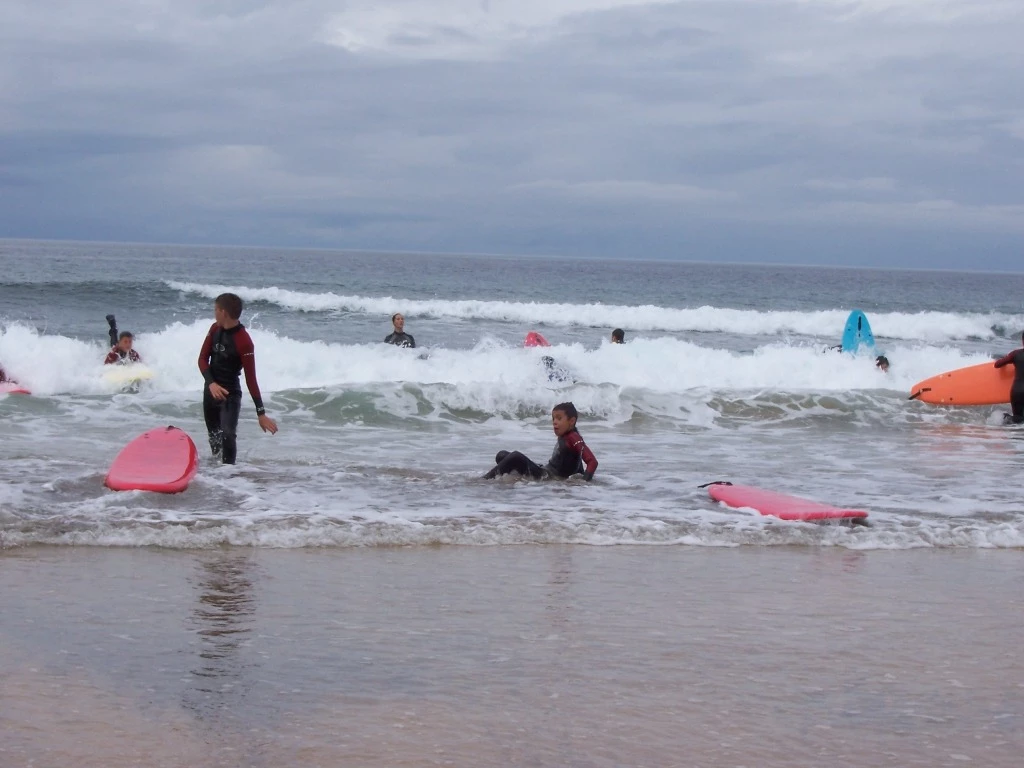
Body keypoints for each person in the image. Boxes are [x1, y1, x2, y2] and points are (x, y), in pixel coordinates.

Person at [198, 292, 278, 464]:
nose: (214, 313)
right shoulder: (214, 329)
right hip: (210, 392)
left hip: (230, 395)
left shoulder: (244, 341)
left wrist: (261, 413)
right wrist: (211, 384)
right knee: (214, 436)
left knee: (228, 434)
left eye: (216, 310)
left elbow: (251, 379)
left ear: (223, 312)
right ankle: (215, 475)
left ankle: (230, 474)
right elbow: (202, 360)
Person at [484, 402, 598, 481]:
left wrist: (584, 482)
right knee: (502, 455)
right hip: (545, 469)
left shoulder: (574, 437)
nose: (554, 422)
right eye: (553, 418)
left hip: (549, 477)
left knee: (515, 457)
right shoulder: (566, 435)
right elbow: (576, 459)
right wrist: (579, 474)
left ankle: (484, 481)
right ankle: (513, 480)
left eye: (559, 418)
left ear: (572, 421)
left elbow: (592, 461)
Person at [994, 332, 1024, 424]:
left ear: (1022, 341)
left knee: (1018, 418)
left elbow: (997, 364)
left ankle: (1004, 420)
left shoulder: (1015, 354)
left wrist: (1011, 360)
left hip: (1017, 391)